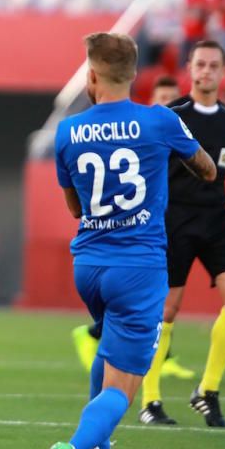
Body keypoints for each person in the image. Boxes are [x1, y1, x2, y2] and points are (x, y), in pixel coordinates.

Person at [13, 33, 214, 449]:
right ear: (134, 76)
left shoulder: (68, 131)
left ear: (91, 75)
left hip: (89, 265)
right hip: (139, 268)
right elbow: (206, 169)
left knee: (107, 351)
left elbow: (74, 207)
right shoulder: (159, 120)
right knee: (123, 388)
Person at [138, 39, 225, 428]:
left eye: (213, 66)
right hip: (174, 218)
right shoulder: (170, 115)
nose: (206, 71)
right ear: (189, 68)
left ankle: (207, 390)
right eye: (200, 64)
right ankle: (150, 399)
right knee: (166, 310)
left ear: (223, 71)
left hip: (217, 220)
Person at [71, 74, 197, 381]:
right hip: (137, 230)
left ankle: (160, 355)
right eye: (162, 98)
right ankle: (96, 336)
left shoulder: (172, 130)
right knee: (144, 295)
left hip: (169, 221)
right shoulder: (141, 132)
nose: (168, 104)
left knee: (163, 295)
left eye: (173, 99)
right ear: (150, 102)